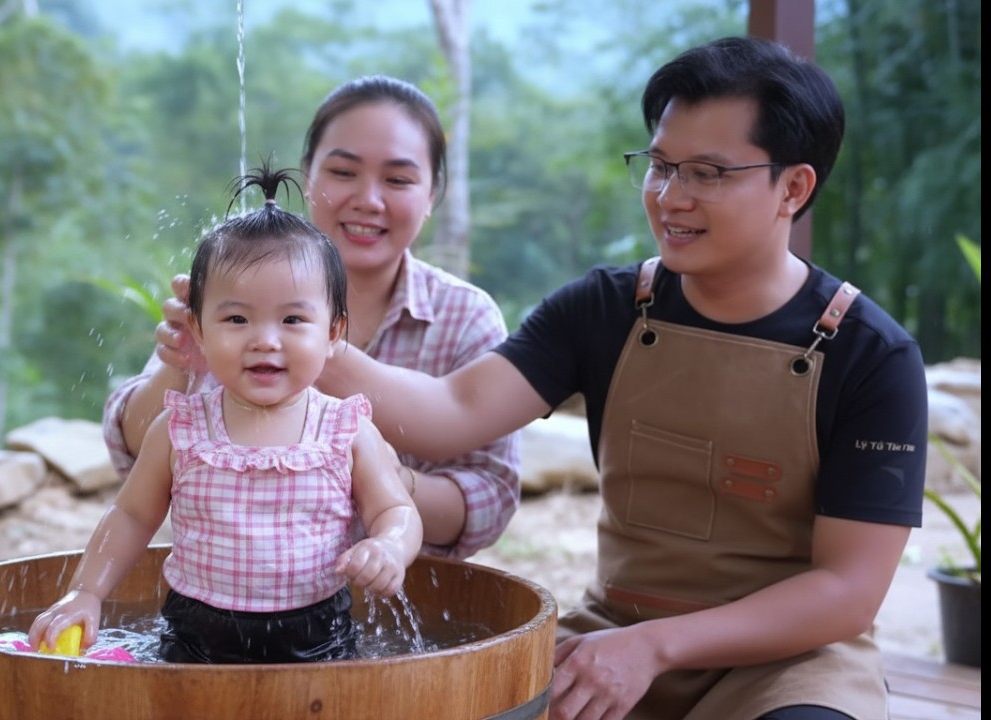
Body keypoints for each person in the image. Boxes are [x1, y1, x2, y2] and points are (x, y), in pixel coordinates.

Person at [317, 36, 928, 720]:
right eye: (661, 166)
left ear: (793, 186)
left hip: (791, 666)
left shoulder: (872, 356)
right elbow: (451, 410)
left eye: (707, 172)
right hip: (612, 635)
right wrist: (297, 339)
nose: (671, 197)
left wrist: (657, 647)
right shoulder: (603, 308)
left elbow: (848, 589)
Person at [102, 75, 520, 560]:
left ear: (432, 195)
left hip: (416, 600)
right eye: (344, 172)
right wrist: (182, 361)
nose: (368, 199)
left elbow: (488, 499)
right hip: (229, 597)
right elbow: (131, 454)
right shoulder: (232, 290)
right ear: (307, 174)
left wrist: (380, 480)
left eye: (399, 179)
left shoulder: (464, 317)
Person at [30, 165, 423, 664]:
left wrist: (390, 546)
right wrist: (85, 591)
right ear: (197, 330)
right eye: (236, 318)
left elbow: (397, 510)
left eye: (293, 319)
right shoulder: (181, 428)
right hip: (196, 633)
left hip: (317, 634)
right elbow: (131, 514)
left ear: (333, 332)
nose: (264, 339)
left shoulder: (344, 429)